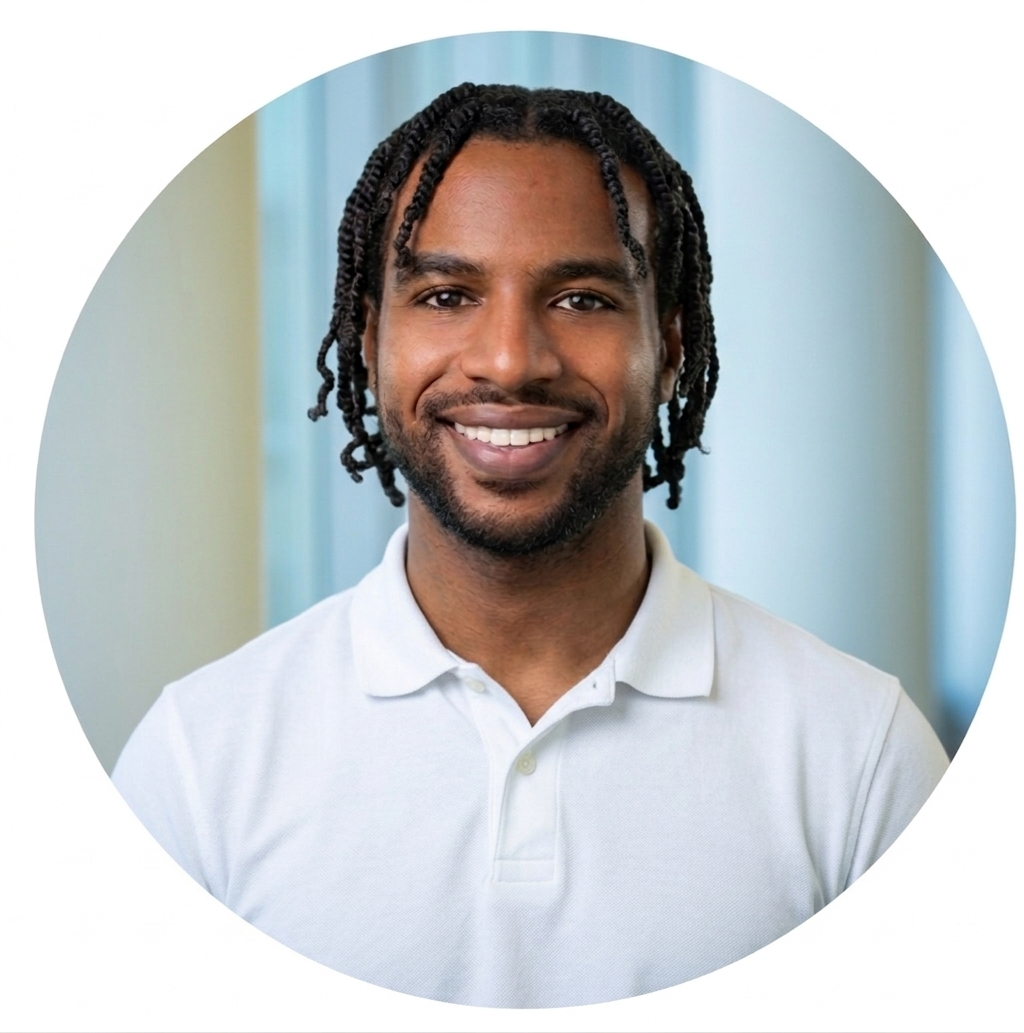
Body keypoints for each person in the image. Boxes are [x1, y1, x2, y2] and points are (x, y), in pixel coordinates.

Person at [113, 83, 949, 1008]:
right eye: (446, 295)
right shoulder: (198, 759)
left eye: (583, 298)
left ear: (670, 347)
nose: (510, 360)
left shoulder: (861, 755)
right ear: (370, 340)